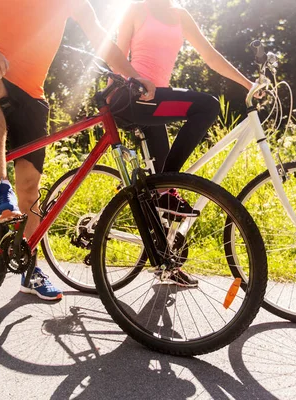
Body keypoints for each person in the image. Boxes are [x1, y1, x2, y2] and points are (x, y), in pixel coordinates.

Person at [0, 0, 155, 301]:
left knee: (31, 189)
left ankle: (29, 268)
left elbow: (101, 38)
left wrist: (133, 74)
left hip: (33, 99)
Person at [109, 0, 254, 287]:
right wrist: (133, 82)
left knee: (161, 182)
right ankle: (165, 187)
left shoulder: (180, 16)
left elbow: (210, 56)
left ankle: (167, 261)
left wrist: (248, 85)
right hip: (133, 99)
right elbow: (115, 56)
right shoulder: (138, 9)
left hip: (157, 104)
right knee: (207, 107)